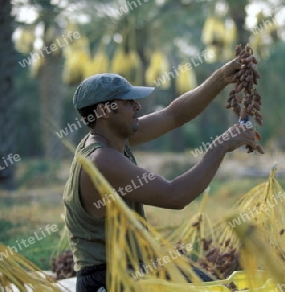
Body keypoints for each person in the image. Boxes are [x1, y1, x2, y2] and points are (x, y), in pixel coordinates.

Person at [62, 59, 263, 292]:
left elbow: (174, 115)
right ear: (103, 111)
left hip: (134, 268)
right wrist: (220, 146)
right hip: (109, 279)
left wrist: (220, 78)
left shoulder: (114, 138)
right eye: (128, 102)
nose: (137, 106)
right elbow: (174, 196)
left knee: (220, 288)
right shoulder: (102, 160)